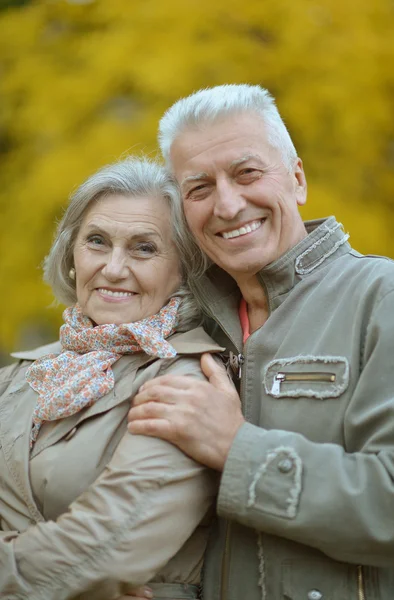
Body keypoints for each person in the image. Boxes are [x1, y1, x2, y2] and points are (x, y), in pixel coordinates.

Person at [127, 84, 394, 599]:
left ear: (297, 179)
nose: (228, 204)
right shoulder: (178, 328)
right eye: (199, 188)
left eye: (247, 173)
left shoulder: (384, 298)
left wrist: (238, 450)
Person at [0, 157, 226, 600]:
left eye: (144, 248)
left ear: (185, 268)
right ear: (71, 254)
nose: (114, 268)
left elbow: (104, 548)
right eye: (97, 242)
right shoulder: (19, 375)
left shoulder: (187, 381)